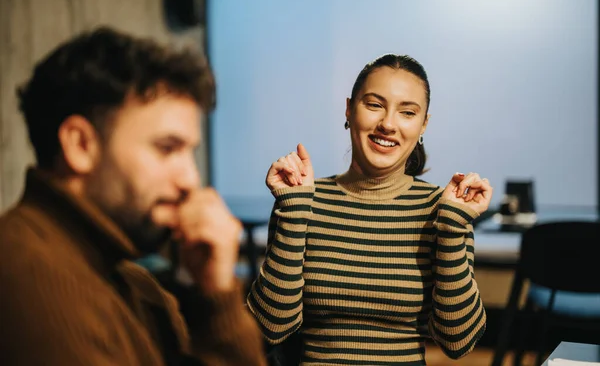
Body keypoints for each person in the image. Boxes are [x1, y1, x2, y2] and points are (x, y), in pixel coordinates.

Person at [0, 27, 266, 366]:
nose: (191, 179)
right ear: (80, 145)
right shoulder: (34, 282)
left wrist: (212, 294)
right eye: (167, 148)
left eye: (190, 153)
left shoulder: (131, 280)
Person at [247, 54, 491, 365]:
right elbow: (268, 328)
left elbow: (459, 342)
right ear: (349, 109)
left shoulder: (443, 210)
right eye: (374, 105)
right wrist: (294, 212)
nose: (388, 124)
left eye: (407, 112)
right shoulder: (302, 198)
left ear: (423, 124)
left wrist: (453, 227)